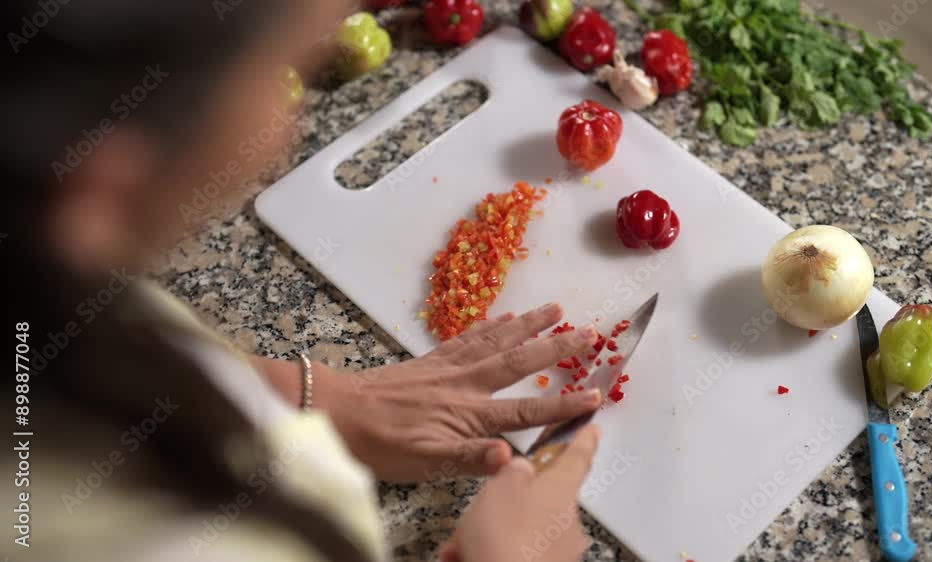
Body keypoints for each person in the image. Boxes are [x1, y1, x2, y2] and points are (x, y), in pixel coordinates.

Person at [2, 1, 604, 560]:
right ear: (108, 180)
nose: (294, 114)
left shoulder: (48, 267)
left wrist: (316, 400)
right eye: (284, 66)